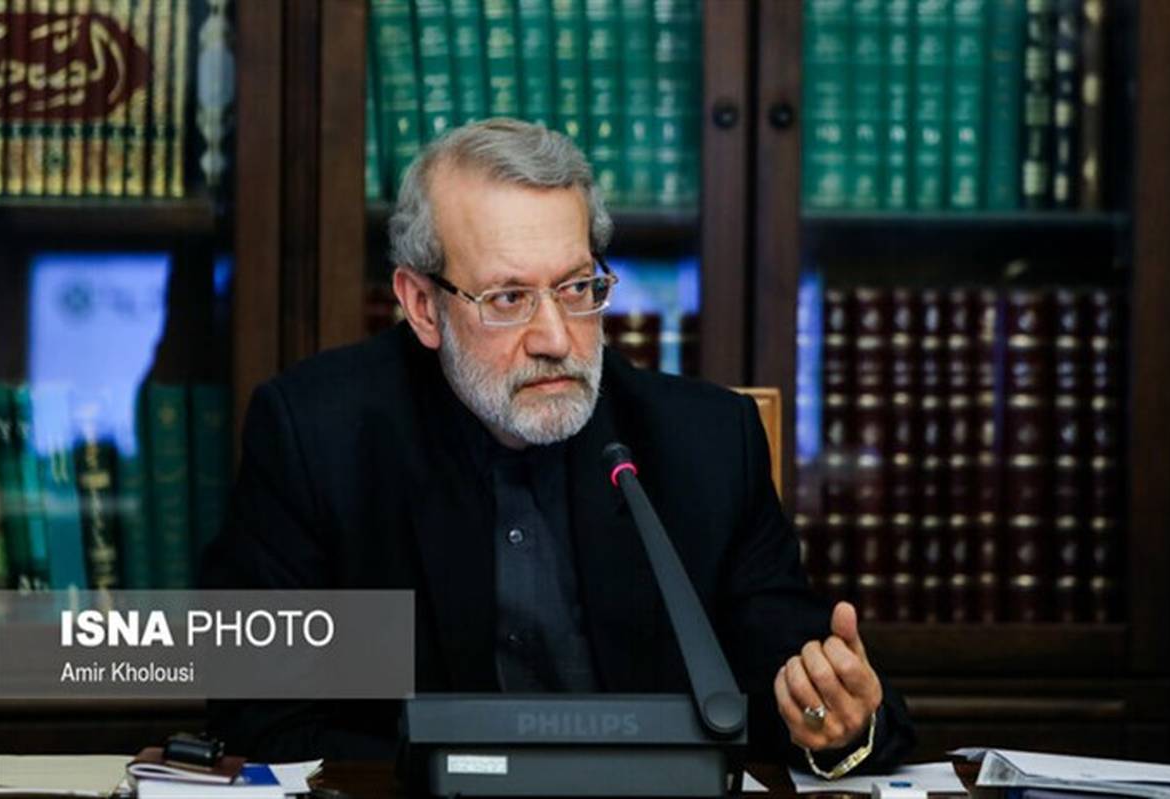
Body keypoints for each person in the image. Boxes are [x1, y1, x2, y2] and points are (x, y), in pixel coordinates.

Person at [201, 118, 915, 774]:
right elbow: (263, 716)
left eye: (576, 288)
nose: (554, 337)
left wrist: (839, 719)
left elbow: (798, 686)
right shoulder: (320, 438)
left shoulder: (705, 445)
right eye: (508, 298)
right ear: (422, 305)